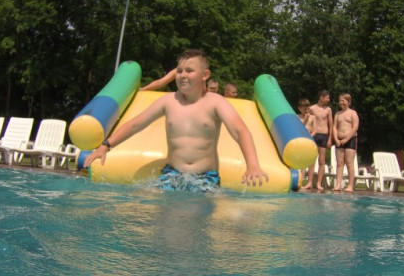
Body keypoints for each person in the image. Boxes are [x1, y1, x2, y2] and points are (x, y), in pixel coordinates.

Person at [80, 49, 268, 190]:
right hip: (171, 175)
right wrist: (106, 145)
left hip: (205, 178)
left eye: (189, 71)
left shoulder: (216, 102)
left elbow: (240, 131)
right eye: (179, 71)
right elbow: (135, 124)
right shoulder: (168, 101)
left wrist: (253, 165)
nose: (183, 75)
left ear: (205, 75)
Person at [302, 90, 333, 191]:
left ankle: (319, 183)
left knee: (322, 161)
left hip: (324, 135)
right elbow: (307, 121)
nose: (329, 99)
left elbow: (331, 125)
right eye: (327, 97)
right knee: (312, 160)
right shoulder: (312, 108)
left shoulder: (328, 110)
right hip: (314, 135)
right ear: (321, 97)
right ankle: (310, 182)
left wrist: (330, 139)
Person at [332, 94, 359, 192]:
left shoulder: (353, 113)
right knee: (339, 163)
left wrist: (346, 139)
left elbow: (355, 127)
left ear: (349, 102)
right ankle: (338, 184)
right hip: (339, 140)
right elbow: (334, 127)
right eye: (340, 101)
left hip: (350, 139)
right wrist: (336, 138)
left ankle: (350, 185)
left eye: (343, 101)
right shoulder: (337, 114)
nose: (341, 102)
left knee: (349, 163)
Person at [297, 98, 315, 188]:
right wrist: (305, 120)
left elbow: (315, 130)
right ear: (299, 108)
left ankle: (301, 182)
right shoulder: (297, 117)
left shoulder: (313, 117)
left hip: (309, 140)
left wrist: (311, 136)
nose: (305, 109)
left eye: (307, 107)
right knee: (299, 161)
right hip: (300, 140)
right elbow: (299, 127)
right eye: (303, 107)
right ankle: (297, 180)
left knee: (305, 163)